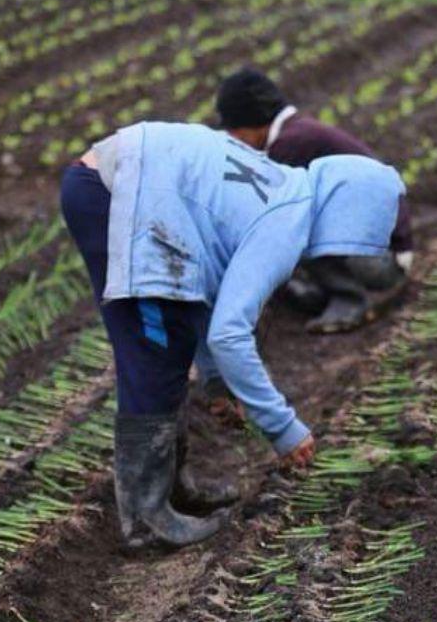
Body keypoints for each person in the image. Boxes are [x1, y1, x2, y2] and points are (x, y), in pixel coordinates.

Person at [60, 121, 404, 549]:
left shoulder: (288, 188)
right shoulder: (286, 223)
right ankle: (146, 520)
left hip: (116, 182)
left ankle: (169, 491)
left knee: (170, 334)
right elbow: (229, 334)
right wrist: (283, 428)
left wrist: (217, 380)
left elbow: (208, 293)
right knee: (154, 348)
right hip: (114, 191)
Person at [216, 67, 414, 334]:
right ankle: (325, 289)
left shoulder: (292, 144)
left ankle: (350, 299)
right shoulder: (299, 132)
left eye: (235, 132)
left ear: (254, 121)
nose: (234, 140)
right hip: (383, 250)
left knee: (292, 222)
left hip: (383, 261)